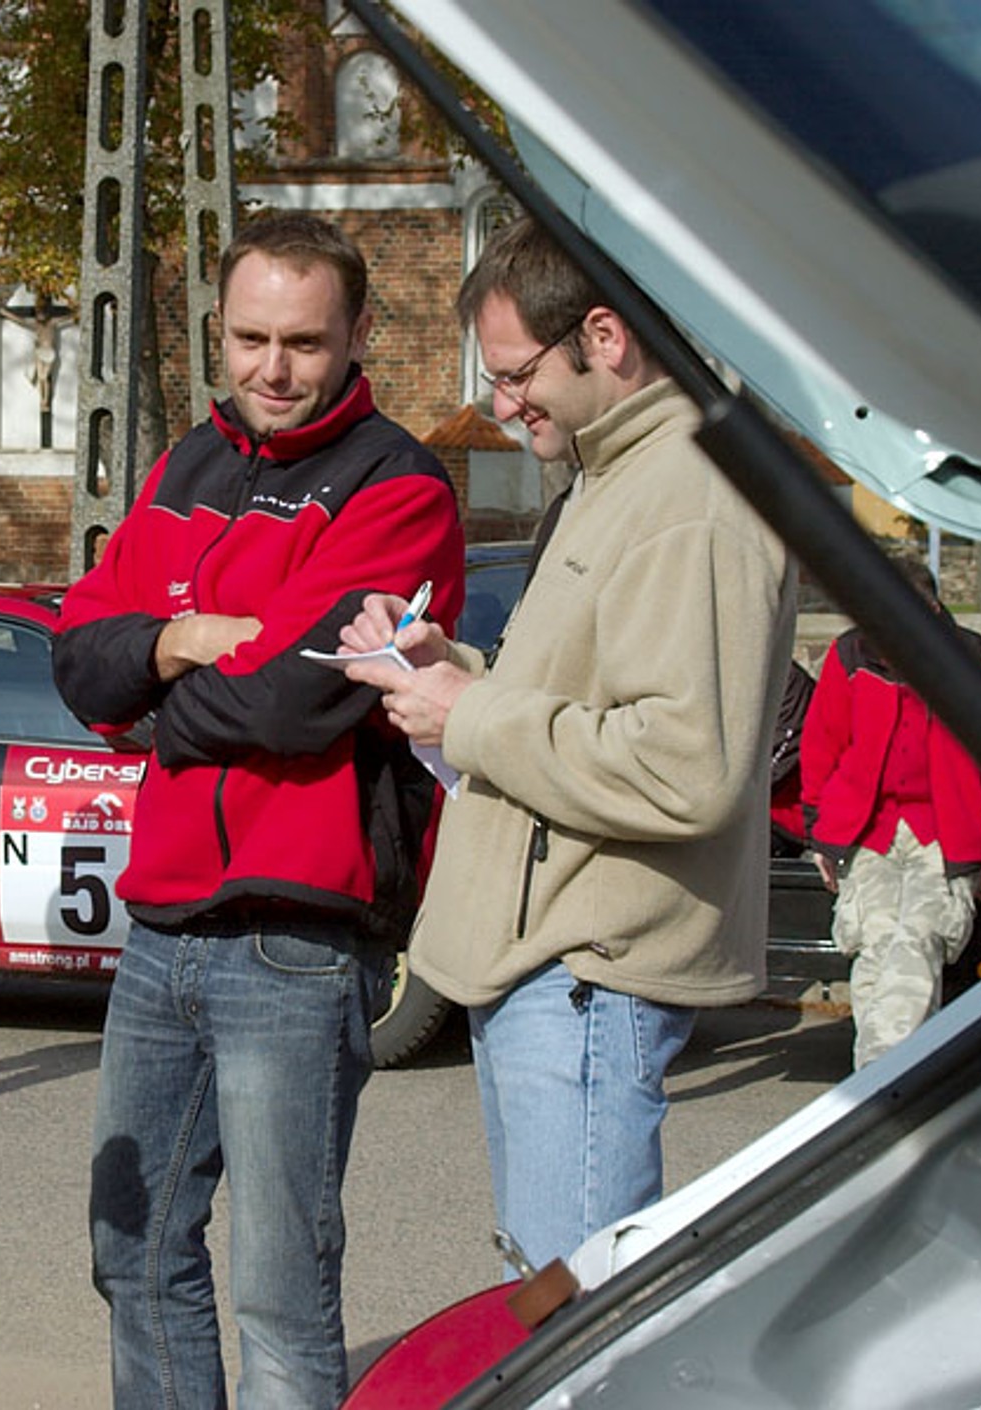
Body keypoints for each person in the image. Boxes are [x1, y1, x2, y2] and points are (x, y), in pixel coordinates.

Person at [53, 211, 466, 1410]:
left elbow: (293, 709)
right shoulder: (186, 465)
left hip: (296, 936)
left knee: (281, 1292)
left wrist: (151, 686)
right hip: (162, 926)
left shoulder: (401, 486)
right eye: (247, 339)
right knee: (129, 1252)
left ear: (357, 336)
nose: (271, 370)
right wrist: (181, 640)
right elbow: (78, 659)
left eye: (301, 342)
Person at [340, 214, 797, 1271]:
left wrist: (469, 713)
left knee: (574, 1307)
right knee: (546, 1290)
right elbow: (584, 702)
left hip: (585, 967)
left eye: (514, 376)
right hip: (551, 961)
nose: (500, 407)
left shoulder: (693, 496)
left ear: (605, 335)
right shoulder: (614, 475)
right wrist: (440, 664)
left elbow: (687, 766)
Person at [799, 561, 981, 1069]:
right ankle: (887, 1079)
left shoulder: (976, 660)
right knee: (874, 940)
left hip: (946, 831)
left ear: (933, 609)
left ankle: (881, 1080)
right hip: (868, 829)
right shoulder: (851, 653)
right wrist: (820, 836)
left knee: (917, 939)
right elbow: (823, 744)